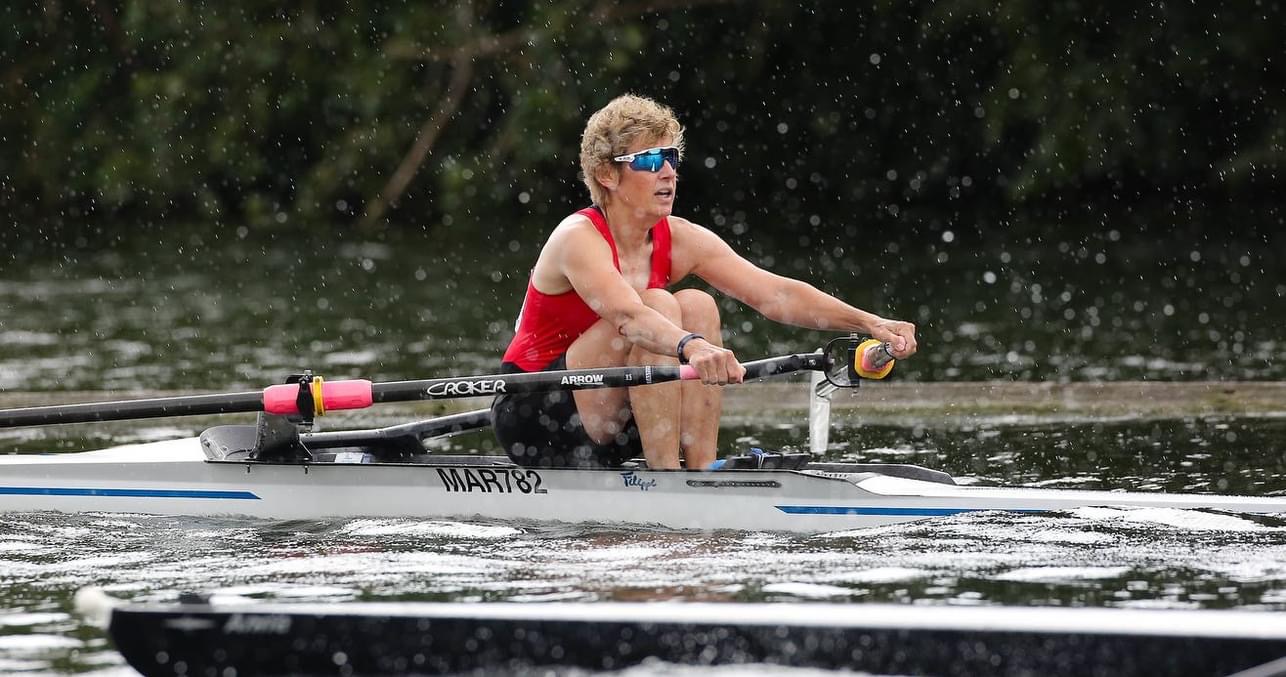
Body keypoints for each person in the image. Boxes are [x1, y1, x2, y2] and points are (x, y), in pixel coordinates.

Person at [492, 94, 917, 470]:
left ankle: (700, 472)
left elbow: (775, 294)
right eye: (649, 161)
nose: (667, 173)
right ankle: (668, 480)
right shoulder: (577, 238)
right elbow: (629, 317)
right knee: (660, 305)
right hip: (537, 414)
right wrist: (692, 348)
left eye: (671, 159)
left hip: (615, 417)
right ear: (607, 174)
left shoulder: (678, 238)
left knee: (698, 305)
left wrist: (870, 324)